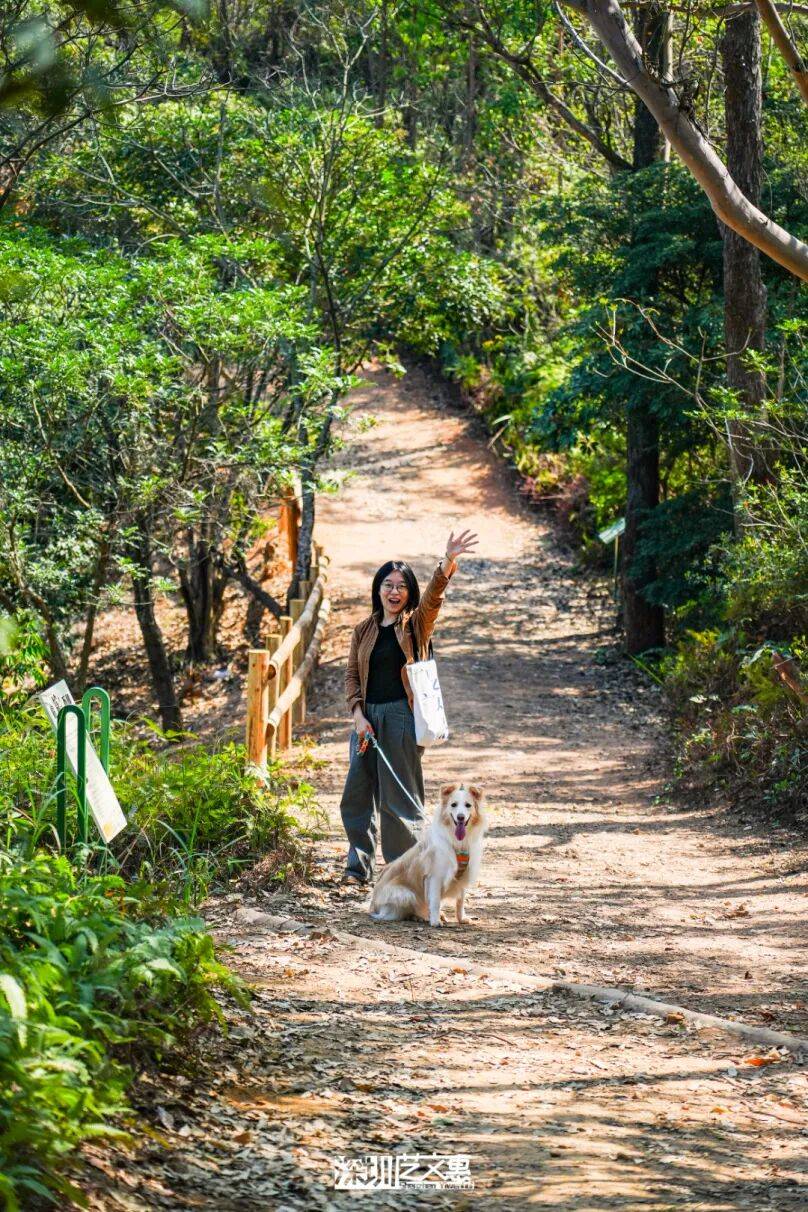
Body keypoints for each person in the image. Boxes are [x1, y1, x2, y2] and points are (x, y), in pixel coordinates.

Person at [339, 528, 479, 884]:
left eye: (401, 586)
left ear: (409, 592)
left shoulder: (415, 626)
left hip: (401, 718)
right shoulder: (363, 630)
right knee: (356, 796)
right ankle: (358, 866)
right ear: (378, 589)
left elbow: (433, 599)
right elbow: (352, 675)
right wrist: (358, 715)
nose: (394, 591)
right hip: (366, 720)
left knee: (398, 800)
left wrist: (447, 562)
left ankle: (404, 873)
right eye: (388, 584)